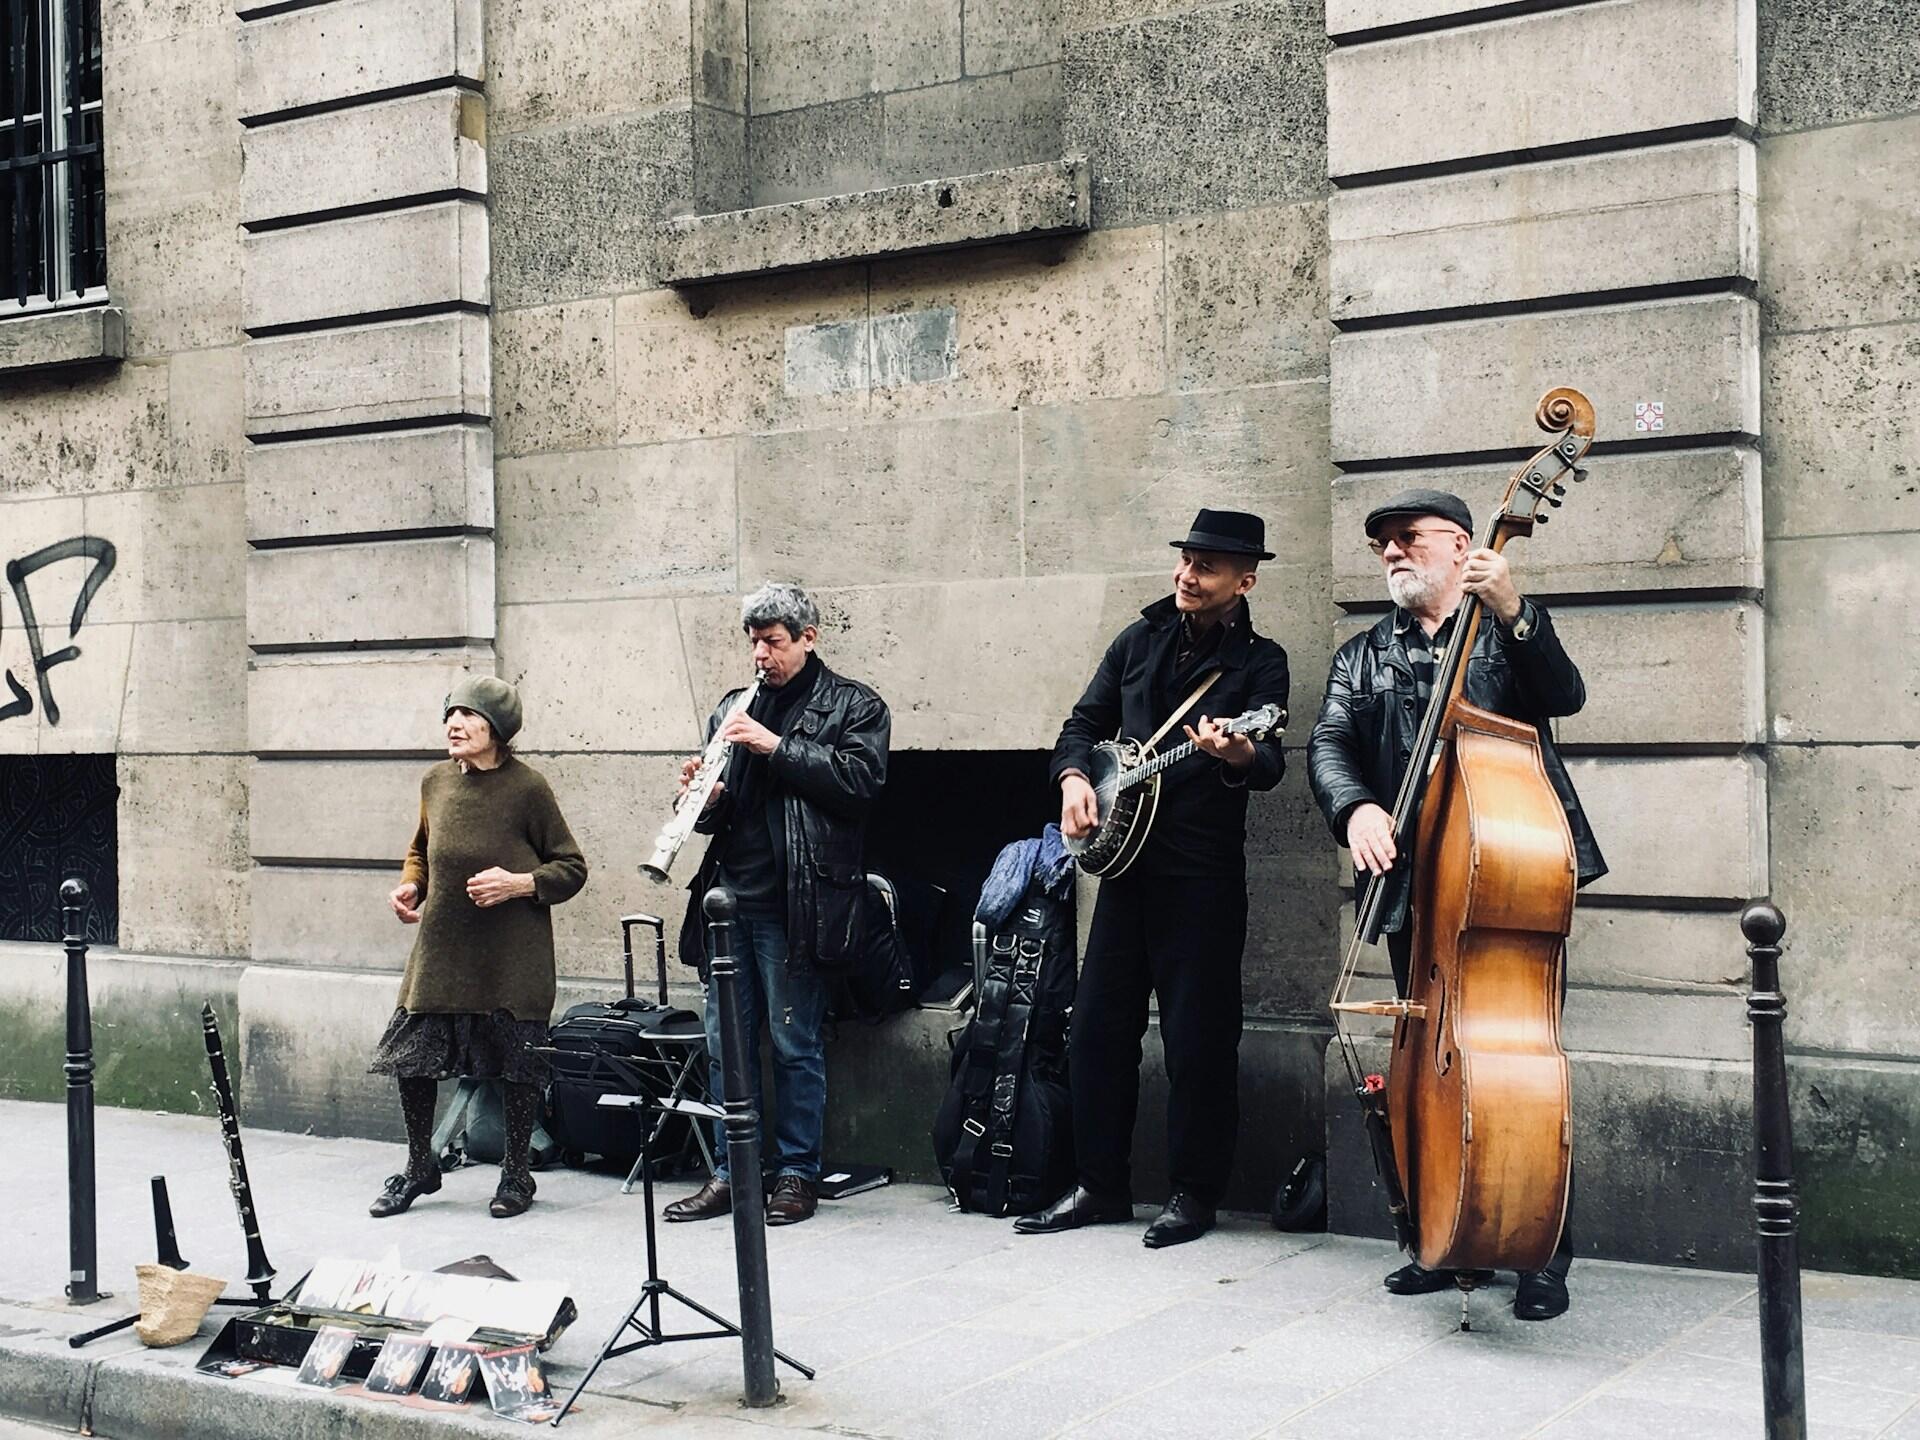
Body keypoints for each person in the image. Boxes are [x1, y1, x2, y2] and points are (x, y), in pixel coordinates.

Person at [1306, 488, 1606, 1321]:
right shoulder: (1363, 655)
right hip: (1418, 892)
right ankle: (1442, 1235)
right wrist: (1355, 807)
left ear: (1462, 544)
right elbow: (1329, 743)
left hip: (1505, 883)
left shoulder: (1501, 633)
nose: (1393, 554)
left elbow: (1565, 694)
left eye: (1407, 539)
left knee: (1526, 1072)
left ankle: (1542, 1250)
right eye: (1381, 545)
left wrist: (1515, 606)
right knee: (1420, 1072)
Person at [1017, 509, 1290, 1249]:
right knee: (1097, 1032)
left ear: (1245, 580)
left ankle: (1194, 1195)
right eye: (1185, 561)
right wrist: (1076, 779)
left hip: (1200, 878)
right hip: (1123, 871)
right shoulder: (1137, 640)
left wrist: (1235, 753)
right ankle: (1098, 1185)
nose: (1187, 576)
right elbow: (1081, 723)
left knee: (1200, 1042)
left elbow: (1269, 762)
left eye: (1205, 567)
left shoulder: (1261, 665)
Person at [663, 583, 891, 1227]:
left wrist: (773, 745)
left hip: (800, 905)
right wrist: (703, 799)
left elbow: (861, 783)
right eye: (754, 643)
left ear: (808, 637)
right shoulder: (731, 708)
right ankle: (731, 1173)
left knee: (794, 1043)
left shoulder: (855, 705)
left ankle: (796, 1174)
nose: (761, 655)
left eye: (774, 642)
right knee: (722, 1044)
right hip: (727, 903)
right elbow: (723, 811)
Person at [367, 676, 588, 1220]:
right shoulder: (435, 782)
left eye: (469, 716)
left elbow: (572, 867)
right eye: (451, 714)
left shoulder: (528, 788)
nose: (454, 725)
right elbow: (420, 848)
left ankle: (517, 1176)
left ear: (497, 730)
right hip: (442, 948)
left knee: (518, 1066)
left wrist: (518, 883)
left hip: (512, 955)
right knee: (412, 1059)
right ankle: (421, 1165)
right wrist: (411, 885)